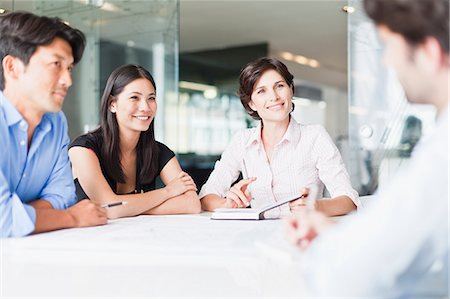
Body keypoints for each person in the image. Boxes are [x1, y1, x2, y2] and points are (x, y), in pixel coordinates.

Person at [286, 0, 449, 297]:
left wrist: (327, 251)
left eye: (388, 45)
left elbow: (352, 277)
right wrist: (345, 236)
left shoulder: (444, 154)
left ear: (428, 53)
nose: (386, 61)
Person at [199, 57, 359, 216]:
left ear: (291, 90)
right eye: (261, 91)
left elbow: (348, 200)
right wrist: (227, 204)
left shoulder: (314, 137)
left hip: (304, 234)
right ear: (251, 103)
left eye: (280, 86)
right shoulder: (242, 141)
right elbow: (206, 197)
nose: (274, 97)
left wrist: (317, 207)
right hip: (256, 237)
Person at [0, 11, 107, 238]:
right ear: (13, 68)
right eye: (56, 64)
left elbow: (64, 196)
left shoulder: (55, 122)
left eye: (69, 68)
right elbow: (2, 219)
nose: (68, 80)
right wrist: (74, 217)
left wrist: (19, 214)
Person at [69, 64, 201, 219]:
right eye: (134, 98)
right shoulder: (83, 148)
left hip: (139, 239)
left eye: (151, 98)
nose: (145, 107)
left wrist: (128, 208)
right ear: (113, 104)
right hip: (84, 240)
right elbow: (109, 207)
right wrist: (168, 192)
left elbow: (192, 203)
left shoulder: (159, 151)